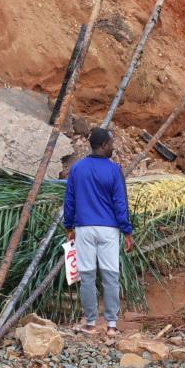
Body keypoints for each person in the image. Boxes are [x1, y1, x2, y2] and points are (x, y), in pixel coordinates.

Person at [63, 127, 133, 335]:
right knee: (111, 275)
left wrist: (69, 227)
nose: (113, 147)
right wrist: (127, 231)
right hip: (109, 230)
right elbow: (120, 203)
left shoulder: (77, 169)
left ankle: (90, 323)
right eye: (111, 143)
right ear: (103, 146)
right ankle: (111, 325)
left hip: (84, 228)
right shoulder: (114, 170)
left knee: (87, 275)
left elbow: (70, 201)